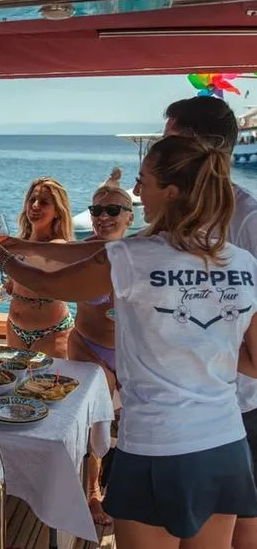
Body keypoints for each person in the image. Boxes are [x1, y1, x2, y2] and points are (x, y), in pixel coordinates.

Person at [0, 135, 257, 549]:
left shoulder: (133, 257)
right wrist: (200, 343)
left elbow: (51, 284)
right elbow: (254, 362)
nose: (137, 191)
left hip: (156, 445)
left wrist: (1, 258)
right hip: (225, 443)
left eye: (143, 180)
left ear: (171, 191)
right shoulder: (243, 263)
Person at [163, 96, 257, 549]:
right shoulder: (174, 214)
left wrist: (196, 342)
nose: (160, 151)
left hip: (238, 406)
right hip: (180, 402)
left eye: (168, 140)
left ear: (198, 146)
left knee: (241, 527)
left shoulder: (248, 219)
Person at [67, 168, 134, 526]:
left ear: (130, 217)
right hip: (87, 347)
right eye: (96, 210)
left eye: (113, 210)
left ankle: (123, 486)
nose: (103, 217)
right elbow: (44, 272)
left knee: (133, 423)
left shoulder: (140, 256)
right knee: (95, 420)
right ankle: (92, 491)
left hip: (129, 355)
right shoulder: (80, 254)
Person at [5, 177, 74, 357]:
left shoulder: (58, 246)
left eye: (44, 202)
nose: (35, 206)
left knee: (47, 377)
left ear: (57, 211)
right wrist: (10, 286)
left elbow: (38, 263)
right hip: (14, 328)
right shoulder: (22, 241)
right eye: (32, 200)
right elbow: (22, 280)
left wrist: (0, 256)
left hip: (51, 333)